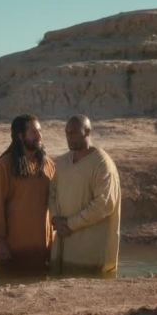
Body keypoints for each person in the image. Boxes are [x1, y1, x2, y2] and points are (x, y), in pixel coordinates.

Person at [50, 114, 121, 274]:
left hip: (90, 252)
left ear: (87, 132)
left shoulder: (102, 164)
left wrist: (70, 224)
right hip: (63, 243)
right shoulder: (62, 163)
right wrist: (55, 219)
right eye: (67, 132)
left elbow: (103, 205)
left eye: (74, 132)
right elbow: (51, 193)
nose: (69, 137)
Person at [0, 114, 55, 274]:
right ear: (20, 136)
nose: (39, 136)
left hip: (42, 246)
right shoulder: (5, 165)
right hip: (13, 247)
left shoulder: (48, 164)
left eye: (40, 131)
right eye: (34, 132)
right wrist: (0, 241)